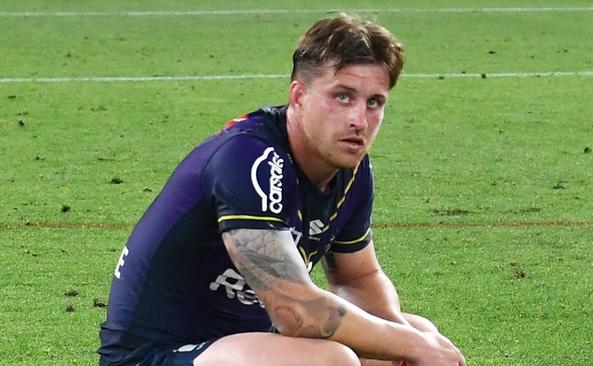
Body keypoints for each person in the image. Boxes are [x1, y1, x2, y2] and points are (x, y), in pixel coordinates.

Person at [98, 14, 466, 366]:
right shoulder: (250, 159)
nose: (359, 119)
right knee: (332, 361)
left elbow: (358, 277)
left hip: (251, 343)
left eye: (374, 102)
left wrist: (409, 344)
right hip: (158, 355)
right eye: (343, 96)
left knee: (417, 333)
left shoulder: (350, 168)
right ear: (299, 96)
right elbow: (295, 311)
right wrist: (411, 345)